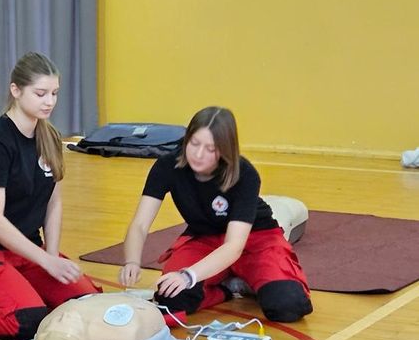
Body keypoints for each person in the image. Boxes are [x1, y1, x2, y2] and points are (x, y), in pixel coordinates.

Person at [0, 52, 100, 340]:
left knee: (87, 306)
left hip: (25, 249)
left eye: (54, 93)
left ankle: (19, 289)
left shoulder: (50, 138)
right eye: (40, 93)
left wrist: (51, 255)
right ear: (16, 90)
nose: (49, 102)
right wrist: (46, 262)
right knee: (28, 322)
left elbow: (54, 202)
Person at [119, 106, 313, 323]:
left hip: (254, 238)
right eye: (194, 143)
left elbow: (234, 246)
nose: (198, 154)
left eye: (210, 149)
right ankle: (228, 288)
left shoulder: (245, 174)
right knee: (170, 298)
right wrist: (132, 261)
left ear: (224, 150)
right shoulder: (167, 166)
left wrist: (188, 275)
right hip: (205, 238)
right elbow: (140, 224)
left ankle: (251, 279)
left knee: (287, 304)